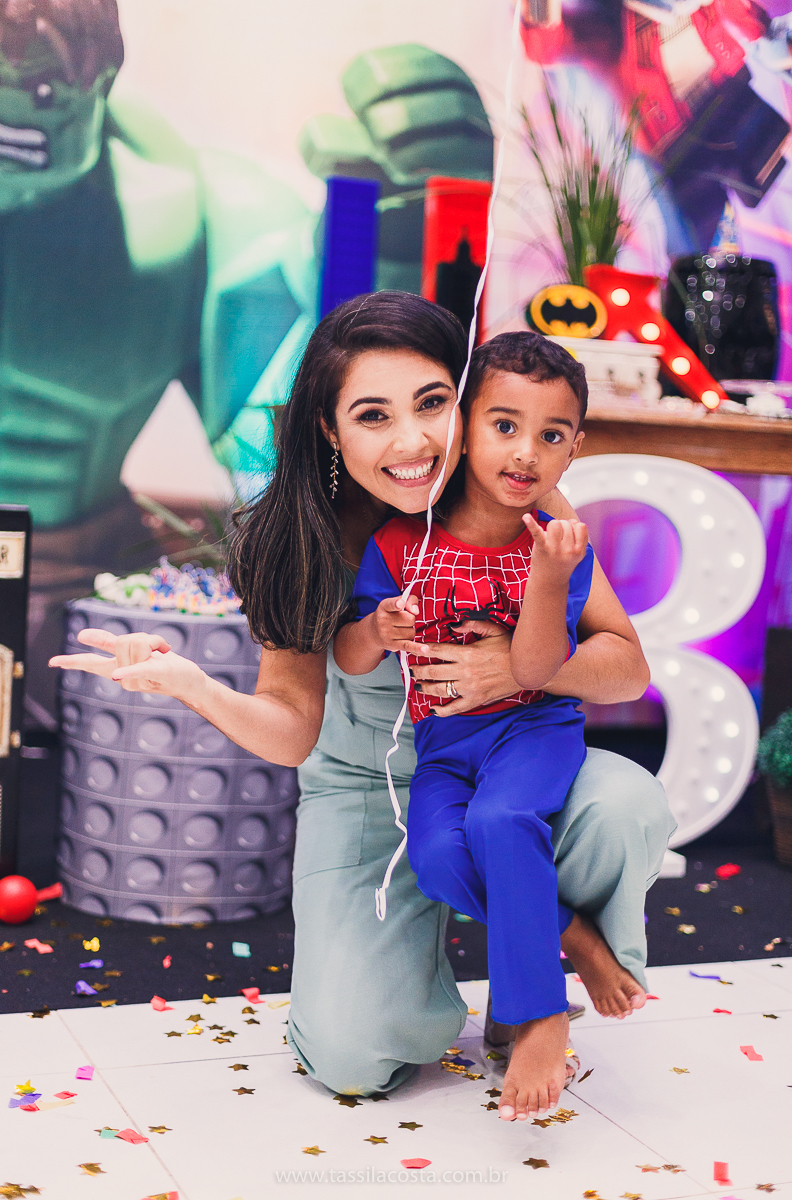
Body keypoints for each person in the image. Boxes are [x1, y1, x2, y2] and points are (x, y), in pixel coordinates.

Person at [49, 291, 675, 1110]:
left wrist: (516, 673)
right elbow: (290, 730)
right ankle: (560, 932)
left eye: (433, 404)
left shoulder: (513, 484)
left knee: (623, 803)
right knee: (353, 1056)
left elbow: (627, 668)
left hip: (510, 756)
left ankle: (526, 1011)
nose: (413, 442)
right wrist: (190, 684)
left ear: (469, 401)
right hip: (364, 789)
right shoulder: (300, 539)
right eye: (373, 415)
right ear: (330, 429)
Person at [333, 332, 598, 1118]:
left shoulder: (558, 544)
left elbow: (537, 668)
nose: (525, 453)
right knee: (441, 859)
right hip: (445, 745)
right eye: (504, 426)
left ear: (575, 448)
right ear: (464, 426)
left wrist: (550, 581)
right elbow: (348, 658)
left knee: (504, 817)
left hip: (533, 730)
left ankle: (539, 1013)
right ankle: (571, 934)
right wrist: (377, 629)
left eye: (551, 436)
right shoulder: (397, 541)